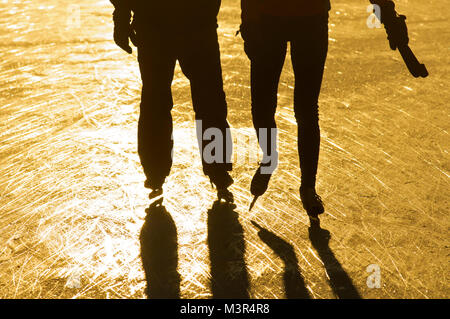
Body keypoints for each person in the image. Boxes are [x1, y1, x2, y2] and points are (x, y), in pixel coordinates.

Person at [240, 0, 401, 216]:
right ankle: (269, 158)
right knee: (262, 106)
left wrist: (388, 15)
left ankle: (308, 187)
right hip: (266, 20)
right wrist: (249, 22)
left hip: (311, 19)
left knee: (306, 108)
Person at [110, 1, 234, 202]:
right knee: (207, 99)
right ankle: (216, 168)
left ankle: (157, 172)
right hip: (190, 24)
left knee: (157, 100)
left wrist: (122, 15)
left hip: (160, 24)